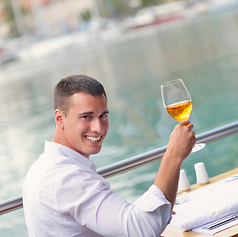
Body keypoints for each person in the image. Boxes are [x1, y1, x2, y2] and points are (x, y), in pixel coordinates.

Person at [23, 75, 196, 237]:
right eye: (86, 117)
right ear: (60, 118)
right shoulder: (66, 177)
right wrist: (174, 155)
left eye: (103, 116)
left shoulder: (43, 167)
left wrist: (155, 211)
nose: (98, 128)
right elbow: (142, 230)